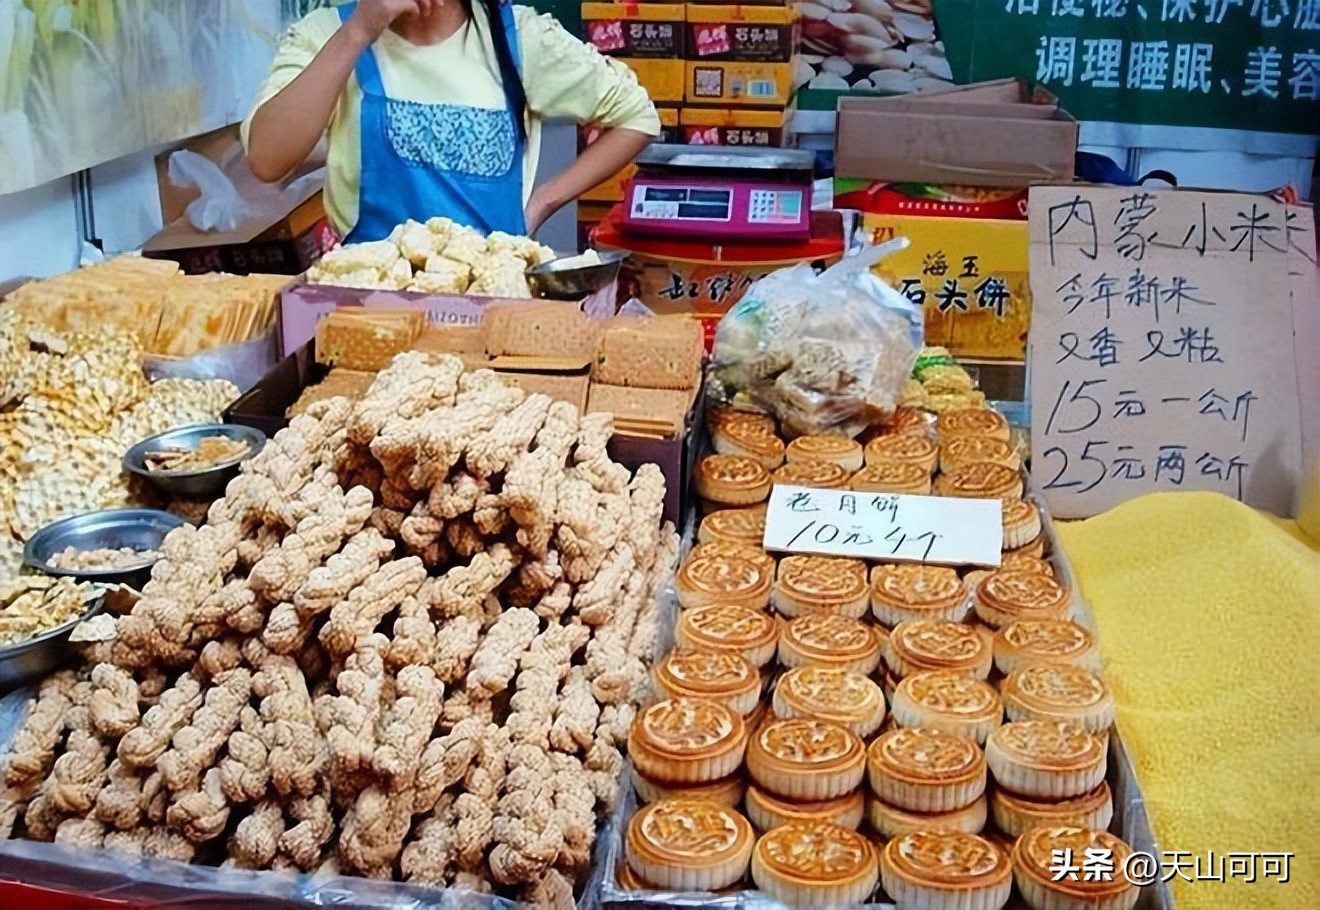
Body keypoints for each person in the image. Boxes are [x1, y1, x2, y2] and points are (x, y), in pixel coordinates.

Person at [243, 0, 659, 243]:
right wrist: (359, 32)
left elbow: (636, 116)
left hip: (492, 307)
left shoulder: (518, 37)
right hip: (366, 305)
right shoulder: (325, 34)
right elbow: (267, 160)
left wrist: (541, 203)